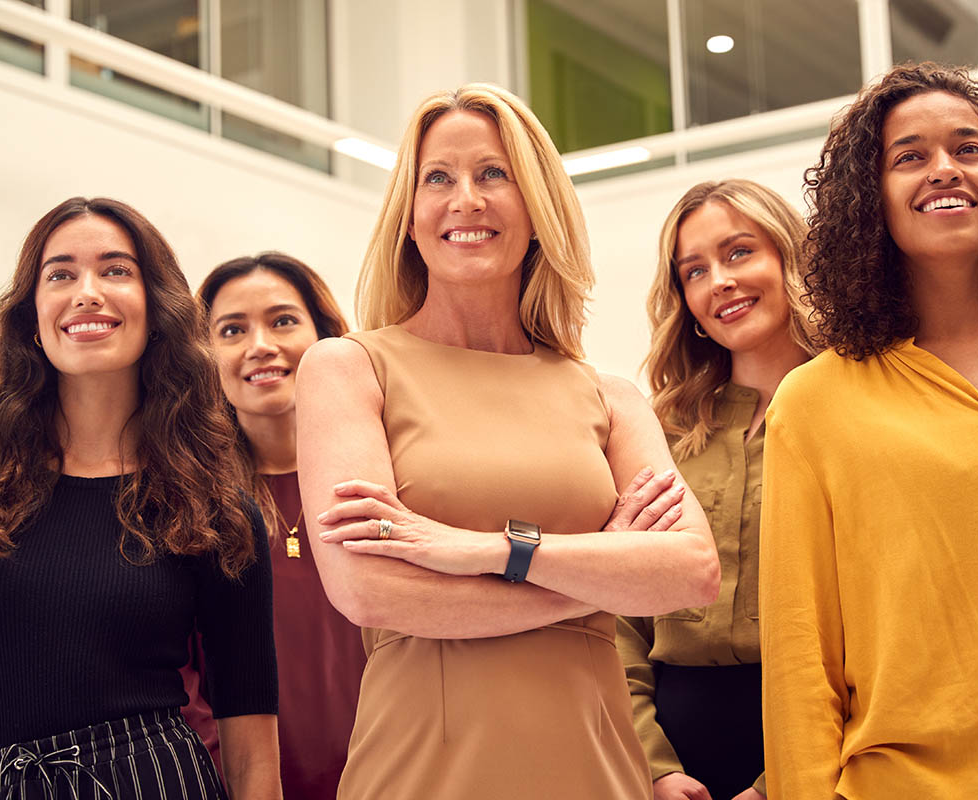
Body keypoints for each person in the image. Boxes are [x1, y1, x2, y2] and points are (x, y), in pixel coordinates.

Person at [294, 83, 721, 800]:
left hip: (596, 763)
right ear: (409, 213)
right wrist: (595, 582)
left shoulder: (609, 395)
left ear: (537, 207)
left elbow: (690, 571)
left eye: (494, 173)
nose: (466, 199)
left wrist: (491, 551)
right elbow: (368, 588)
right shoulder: (347, 368)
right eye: (439, 178)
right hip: (423, 766)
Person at [760, 62, 978, 798]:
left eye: (968, 149)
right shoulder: (815, 405)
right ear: (868, 200)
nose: (945, 169)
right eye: (909, 156)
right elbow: (798, 656)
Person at [0, 197, 280, 800]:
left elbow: (251, 741)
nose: (87, 293)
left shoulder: (215, 507)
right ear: (32, 317)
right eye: (61, 274)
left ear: (159, 310)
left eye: (116, 270)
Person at [619, 179, 817, 800]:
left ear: (791, 258)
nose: (719, 282)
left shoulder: (861, 414)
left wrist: (779, 781)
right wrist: (654, 764)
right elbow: (621, 615)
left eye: (739, 253)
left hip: (813, 738)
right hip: (672, 749)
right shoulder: (663, 432)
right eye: (694, 271)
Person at [177, 252, 366, 800]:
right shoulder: (189, 506)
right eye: (232, 330)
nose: (261, 345)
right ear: (204, 357)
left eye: (283, 320)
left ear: (326, 339)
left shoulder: (382, 483)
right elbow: (178, 681)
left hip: (395, 775)